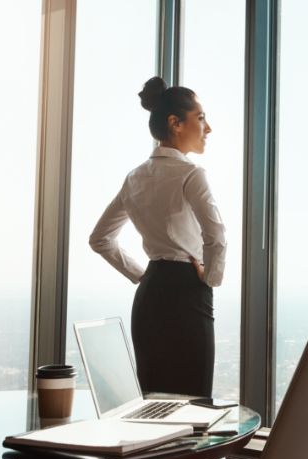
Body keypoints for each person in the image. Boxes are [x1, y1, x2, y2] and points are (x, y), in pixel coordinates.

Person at [89, 76, 225, 401]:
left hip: (150, 297)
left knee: (154, 405)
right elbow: (216, 236)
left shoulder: (135, 177)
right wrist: (211, 278)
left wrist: (142, 275)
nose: (208, 128)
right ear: (175, 123)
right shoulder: (191, 174)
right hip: (188, 293)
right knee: (194, 405)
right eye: (201, 118)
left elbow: (100, 239)